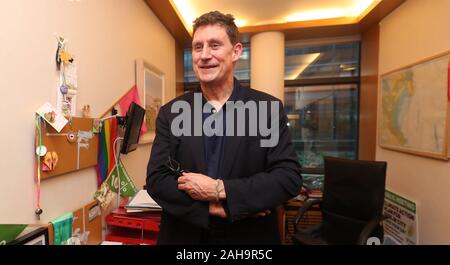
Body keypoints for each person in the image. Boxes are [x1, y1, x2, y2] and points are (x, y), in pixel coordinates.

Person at [146, 10, 302, 244]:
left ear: (236, 51)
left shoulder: (266, 109)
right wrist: (216, 209)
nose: (204, 55)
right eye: (198, 47)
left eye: (215, 45)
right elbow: (157, 180)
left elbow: (287, 178)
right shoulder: (171, 112)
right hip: (185, 237)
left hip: (248, 240)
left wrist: (220, 190)